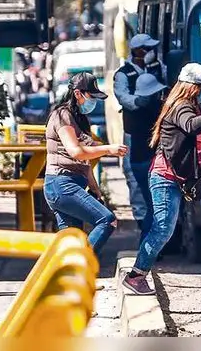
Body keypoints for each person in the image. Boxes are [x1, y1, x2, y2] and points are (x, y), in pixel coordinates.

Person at [121, 63, 201, 296]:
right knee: (163, 229)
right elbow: (190, 127)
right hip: (166, 178)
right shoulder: (181, 106)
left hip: (188, 175)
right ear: (191, 88)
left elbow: (188, 140)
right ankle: (136, 276)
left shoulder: (190, 106)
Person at [43, 72, 128, 255]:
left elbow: (84, 162)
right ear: (78, 94)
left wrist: (95, 188)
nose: (94, 102)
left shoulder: (78, 118)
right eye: (91, 97)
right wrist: (108, 149)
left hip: (71, 184)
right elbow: (76, 151)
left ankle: (72, 280)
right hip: (61, 184)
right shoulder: (62, 116)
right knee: (107, 220)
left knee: (72, 242)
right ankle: (82, 266)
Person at [113, 33, 167, 232]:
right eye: (148, 49)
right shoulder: (123, 74)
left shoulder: (157, 69)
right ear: (139, 51)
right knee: (135, 179)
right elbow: (123, 97)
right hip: (134, 132)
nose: (151, 53)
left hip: (156, 131)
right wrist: (140, 101)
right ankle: (143, 221)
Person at [129, 73, 168, 239]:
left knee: (151, 205)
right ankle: (147, 243)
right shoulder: (153, 109)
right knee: (154, 207)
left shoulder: (132, 108)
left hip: (137, 162)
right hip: (148, 163)